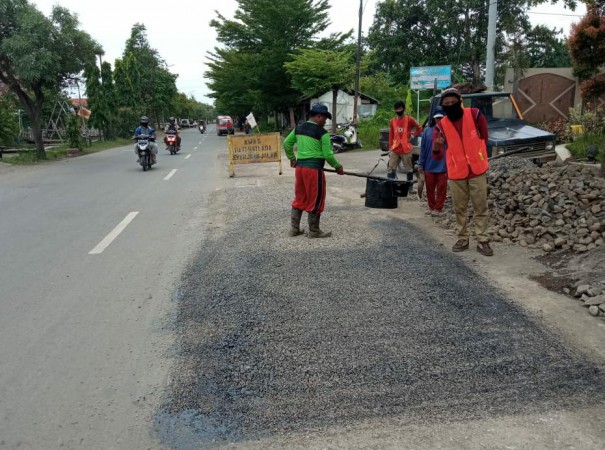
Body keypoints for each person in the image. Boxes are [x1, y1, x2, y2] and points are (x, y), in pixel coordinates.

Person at [432, 88, 493, 256]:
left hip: (477, 169)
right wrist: (437, 146)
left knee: (481, 206)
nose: (450, 105)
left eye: (453, 102)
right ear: (443, 107)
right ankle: (463, 238)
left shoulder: (474, 114)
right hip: (456, 172)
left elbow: (485, 138)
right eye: (446, 104)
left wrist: (478, 156)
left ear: (460, 102)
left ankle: (482, 239)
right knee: (460, 207)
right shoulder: (441, 126)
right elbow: (436, 155)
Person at [283, 103, 344, 238]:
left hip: (300, 168)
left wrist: (292, 158)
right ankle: (314, 231)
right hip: (313, 170)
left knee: (300, 197)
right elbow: (328, 155)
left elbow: (287, 143)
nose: (325, 121)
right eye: (325, 118)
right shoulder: (322, 133)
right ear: (318, 116)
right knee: (316, 198)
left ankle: (294, 229)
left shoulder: (298, 128)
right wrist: (338, 166)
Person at [418, 108, 448, 216]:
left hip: (443, 166)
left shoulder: (448, 131)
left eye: (441, 118)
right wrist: (420, 164)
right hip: (429, 165)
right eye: (437, 118)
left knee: (441, 188)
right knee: (429, 188)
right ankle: (431, 207)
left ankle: (438, 208)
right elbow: (423, 148)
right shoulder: (427, 131)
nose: (439, 120)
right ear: (434, 119)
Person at [388, 101, 422, 187]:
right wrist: (390, 147)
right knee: (391, 168)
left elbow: (419, 128)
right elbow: (391, 134)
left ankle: (410, 187)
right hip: (395, 149)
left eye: (400, 108)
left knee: (409, 169)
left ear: (403, 109)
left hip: (406, 149)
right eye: (396, 109)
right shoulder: (392, 121)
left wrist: (413, 136)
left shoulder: (409, 119)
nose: (398, 110)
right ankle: (389, 186)